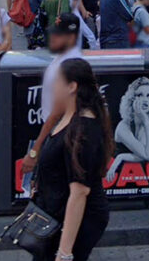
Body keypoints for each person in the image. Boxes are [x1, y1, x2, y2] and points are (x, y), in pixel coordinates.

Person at [33, 58, 113, 261]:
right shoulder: (68, 116)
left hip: (78, 220)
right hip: (55, 216)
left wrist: (65, 252)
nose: (51, 85)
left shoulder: (84, 128)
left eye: (56, 80)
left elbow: (80, 192)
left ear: (71, 86)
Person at [20, 14, 87, 184]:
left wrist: (35, 150)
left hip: (63, 133)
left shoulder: (71, 64)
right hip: (60, 132)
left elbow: (58, 111)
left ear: (71, 37)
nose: (53, 37)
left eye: (58, 34)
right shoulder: (63, 59)